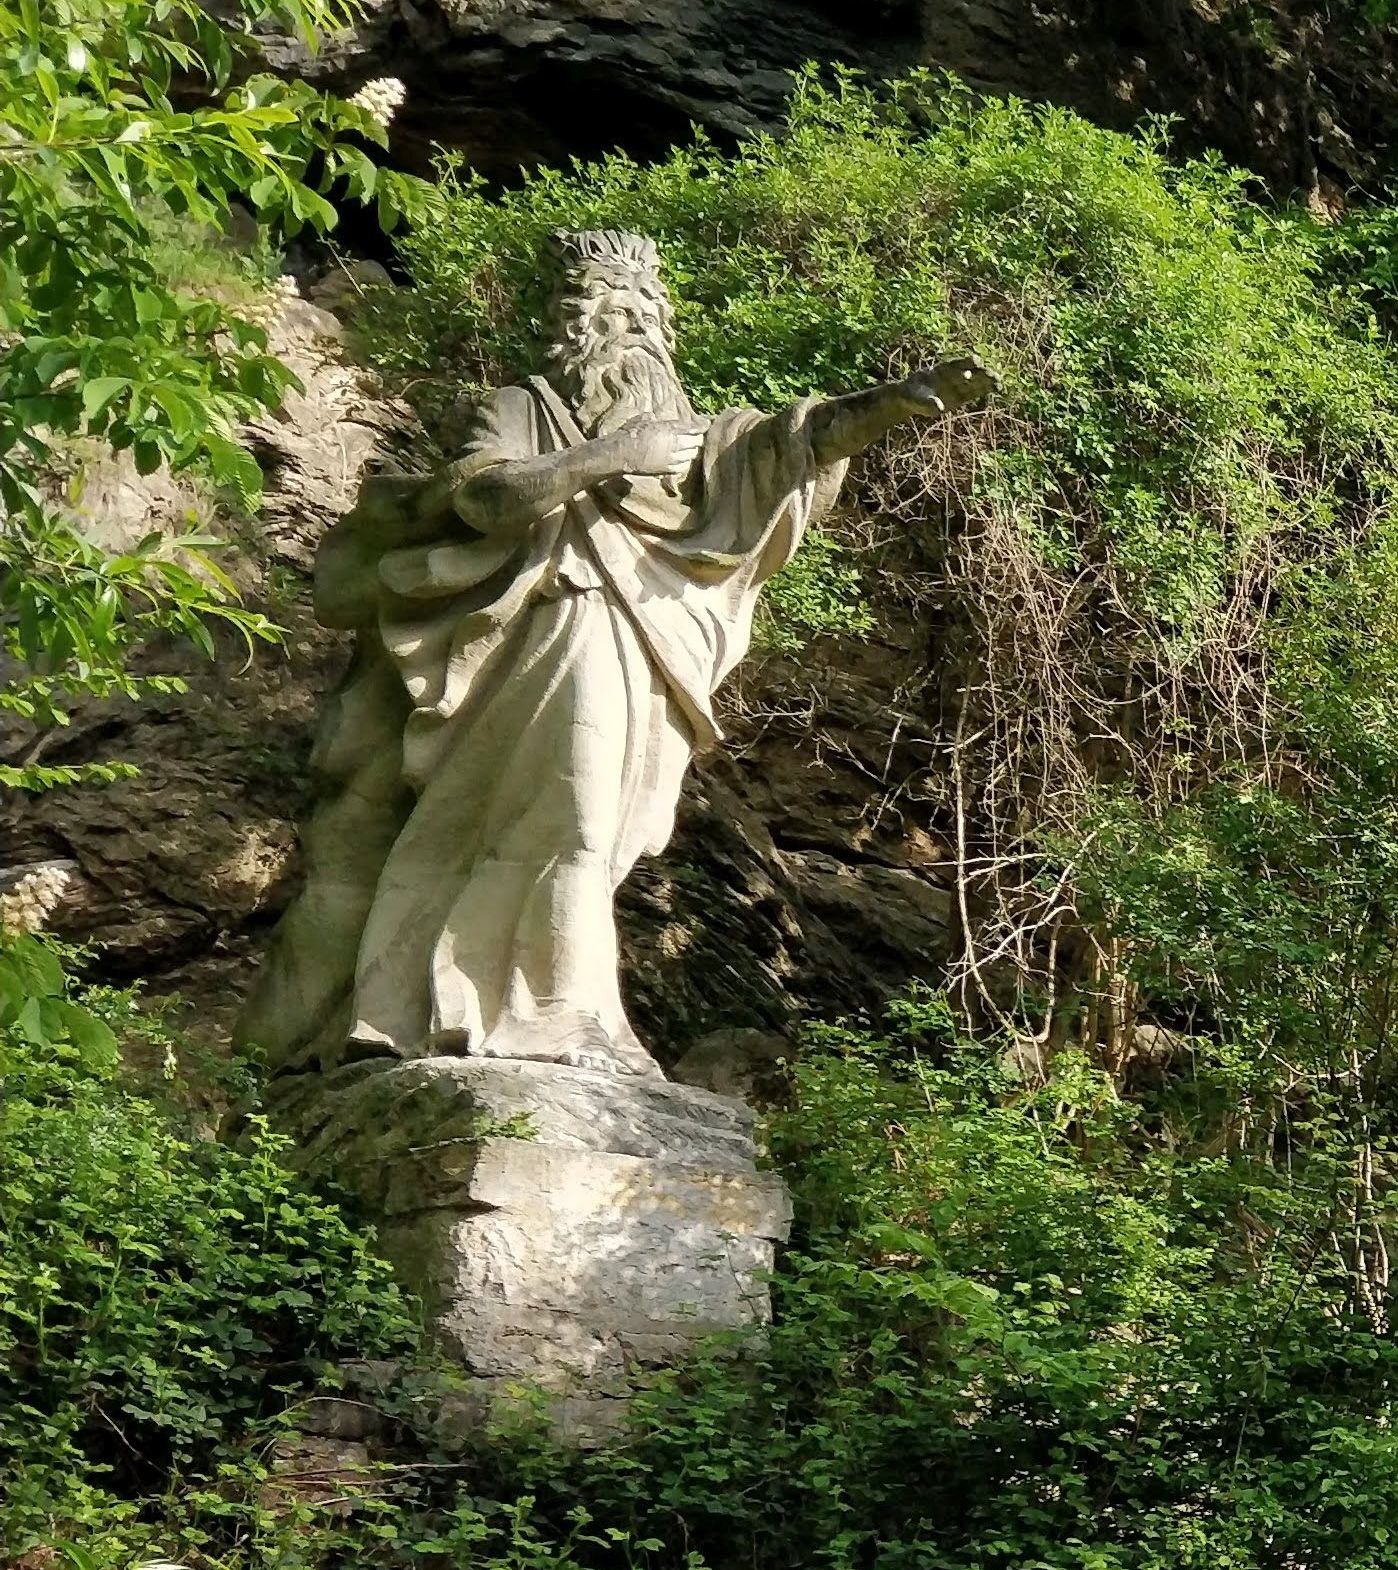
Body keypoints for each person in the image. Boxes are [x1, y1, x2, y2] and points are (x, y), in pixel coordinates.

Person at [244, 229, 990, 1075]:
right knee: (575, 819)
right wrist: (605, 459)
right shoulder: (524, 407)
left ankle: (520, 1011)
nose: (631, 329)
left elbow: (797, 440)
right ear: (573, 324)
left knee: (598, 838)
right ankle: (557, 1021)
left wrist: (896, 401)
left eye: (645, 312)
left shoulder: (697, 438)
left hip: (648, 645)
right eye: (612, 309)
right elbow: (484, 496)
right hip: (559, 626)